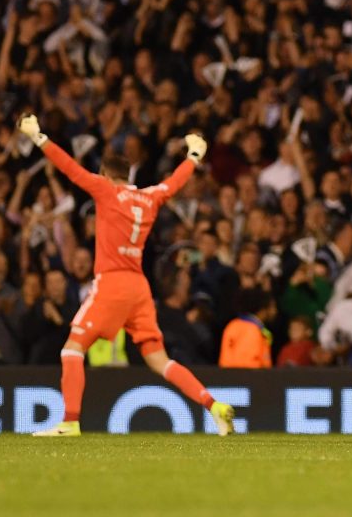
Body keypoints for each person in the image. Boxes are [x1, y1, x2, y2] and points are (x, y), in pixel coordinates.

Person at [17, 114, 235, 437]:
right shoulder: (149, 197)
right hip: (139, 287)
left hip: (113, 282)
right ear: (128, 174)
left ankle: (70, 421)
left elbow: (70, 169)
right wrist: (194, 156)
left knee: (71, 349)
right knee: (160, 361)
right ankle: (214, 406)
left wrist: (38, 136)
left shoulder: (105, 190)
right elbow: (173, 183)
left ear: (106, 174)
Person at [219, 288, 276, 368]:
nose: (274, 311)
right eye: (272, 307)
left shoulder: (233, 325)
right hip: (248, 379)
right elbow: (246, 365)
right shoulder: (251, 330)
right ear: (263, 309)